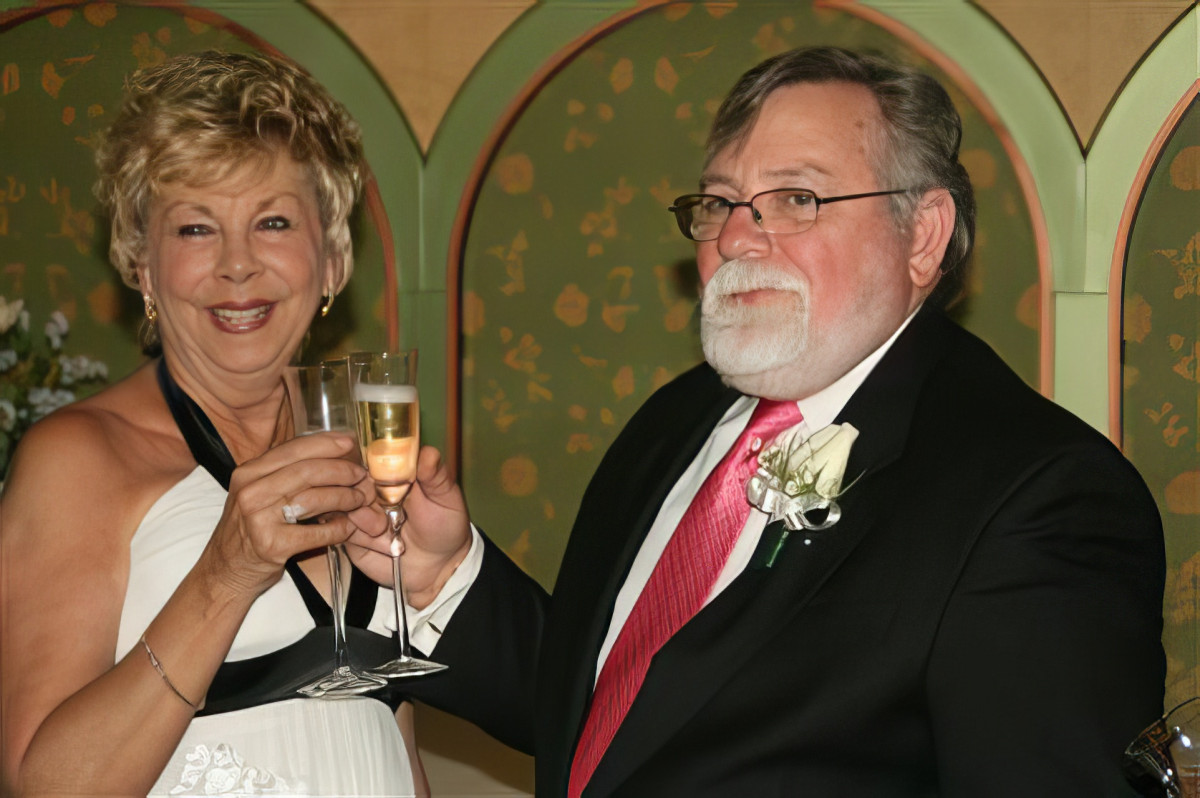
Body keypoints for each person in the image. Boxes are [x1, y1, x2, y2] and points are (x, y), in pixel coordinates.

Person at [397, 46, 1167, 796]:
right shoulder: (673, 421)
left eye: (797, 198)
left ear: (923, 234)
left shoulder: (1035, 496)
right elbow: (620, 729)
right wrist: (444, 577)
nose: (735, 237)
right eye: (719, 202)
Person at [0, 50, 435, 796]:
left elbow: (385, 741)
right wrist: (225, 574)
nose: (237, 265)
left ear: (333, 261)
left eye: (273, 222)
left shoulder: (364, 457)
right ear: (141, 266)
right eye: (196, 229)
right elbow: (41, 786)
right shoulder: (78, 458)